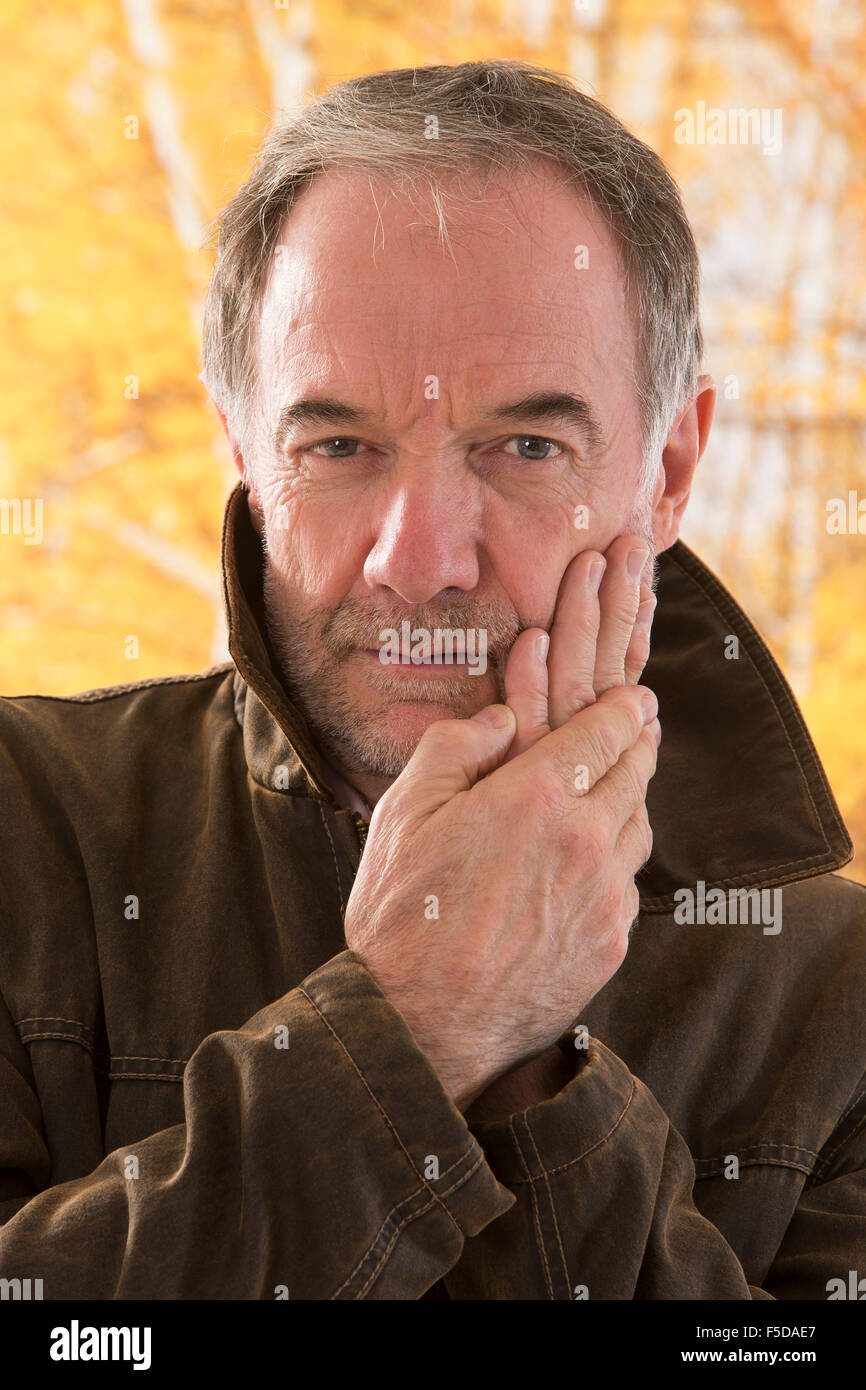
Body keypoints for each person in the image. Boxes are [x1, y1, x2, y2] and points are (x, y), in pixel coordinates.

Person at [0, 60, 863, 1301]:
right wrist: (411, 1024)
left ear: (667, 469)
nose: (418, 561)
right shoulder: (29, 835)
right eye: (338, 445)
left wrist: (529, 1069)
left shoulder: (838, 1000)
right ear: (244, 452)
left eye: (522, 445)